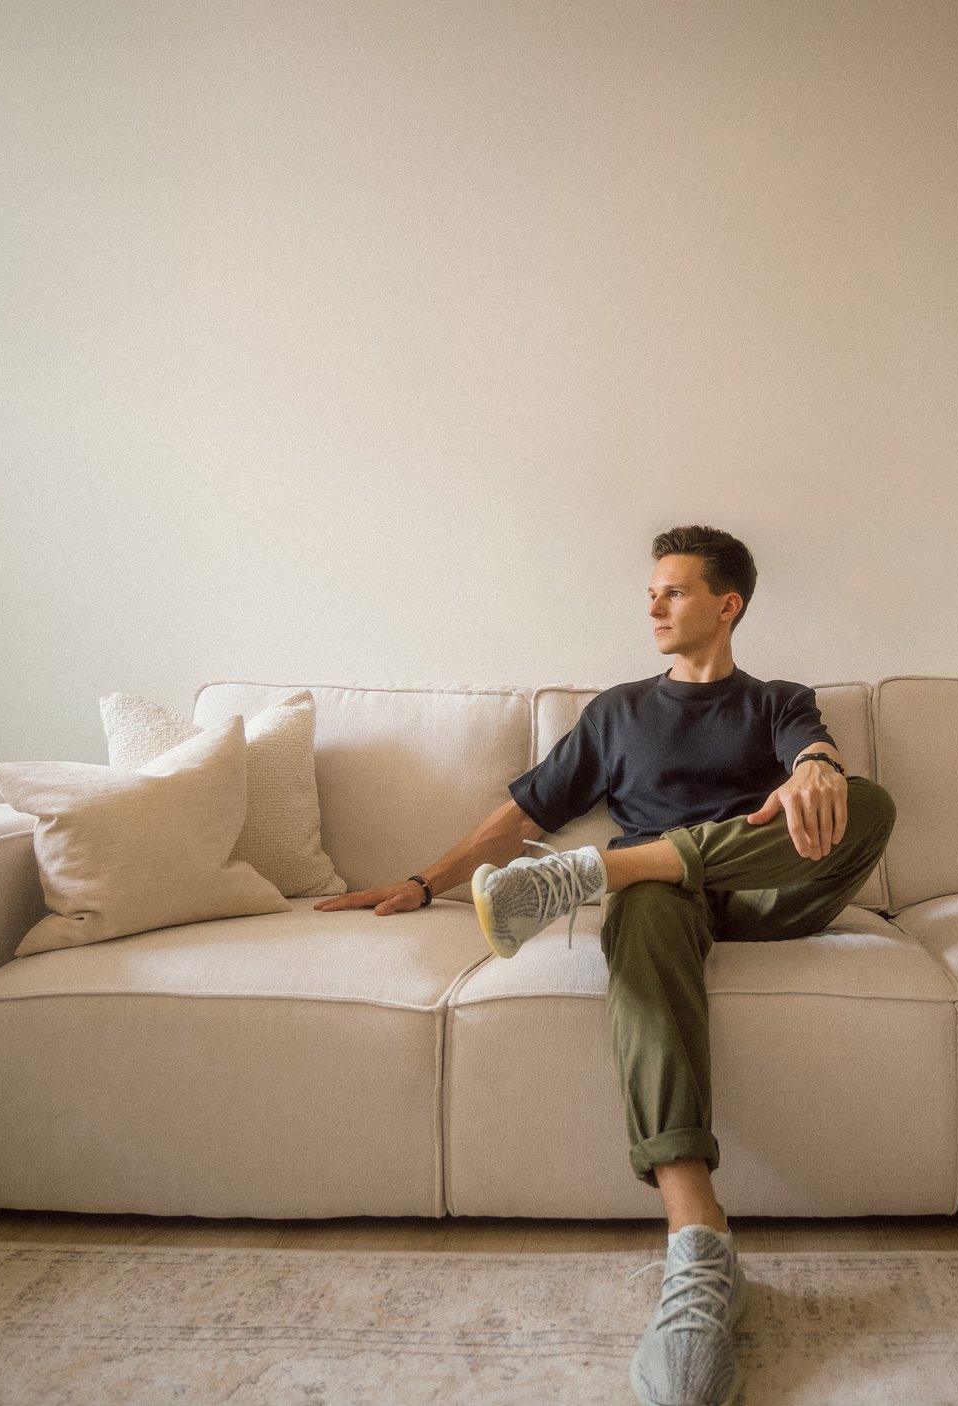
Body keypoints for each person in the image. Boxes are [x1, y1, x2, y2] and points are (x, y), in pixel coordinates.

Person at [315, 524, 897, 1406]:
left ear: (727, 603)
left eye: (674, 591)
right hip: (661, 908)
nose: (653, 605)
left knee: (868, 803)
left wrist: (817, 765)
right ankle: (699, 1253)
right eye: (651, 592)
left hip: (768, 895)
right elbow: (522, 814)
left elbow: (813, 755)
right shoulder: (618, 711)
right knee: (650, 901)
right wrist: (419, 879)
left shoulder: (778, 699)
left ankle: (596, 873)